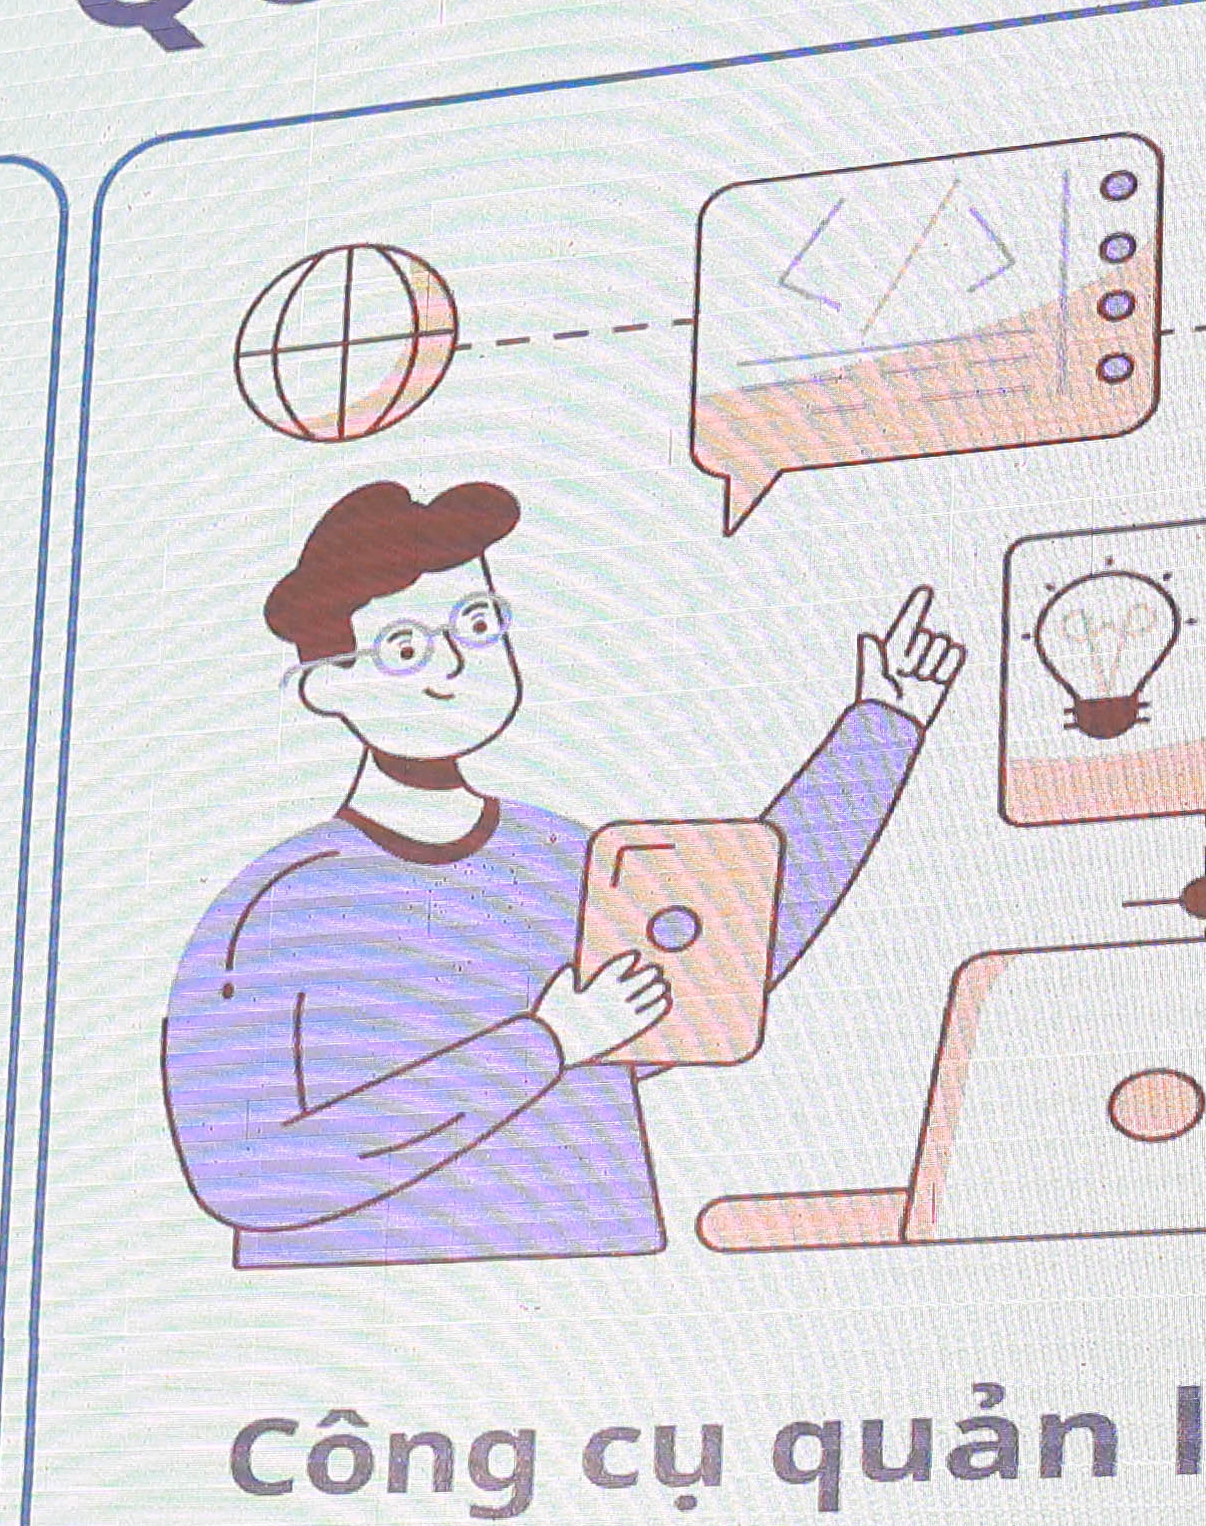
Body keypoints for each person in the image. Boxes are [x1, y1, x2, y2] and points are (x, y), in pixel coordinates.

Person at [160, 480, 958, 1263]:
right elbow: (245, 1174)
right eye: (406, 647)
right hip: (370, 1311)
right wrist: (545, 1044)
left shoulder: (558, 854)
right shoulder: (276, 906)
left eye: (477, 623)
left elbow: (728, 956)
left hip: (598, 1289)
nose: (455, 665)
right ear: (327, 687)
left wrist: (879, 732)